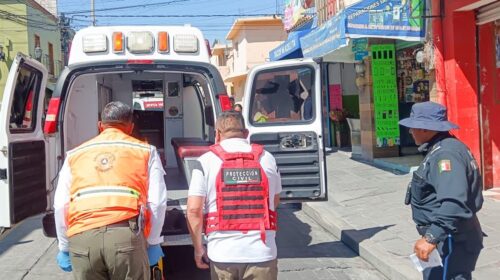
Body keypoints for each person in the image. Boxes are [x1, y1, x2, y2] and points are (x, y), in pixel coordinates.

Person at [53, 101, 167, 279]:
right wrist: (153, 241)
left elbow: (61, 205)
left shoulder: (74, 155)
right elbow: (157, 203)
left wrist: (64, 246)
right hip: (125, 237)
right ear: (130, 127)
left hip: (83, 237)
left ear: (100, 126)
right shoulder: (147, 151)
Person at [186, 111, 282, 280]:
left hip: (223, 254)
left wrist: (198, 248)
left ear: (217, 134)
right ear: (246, 133)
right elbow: (275, 200)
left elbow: (194, 210)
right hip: (262, 253)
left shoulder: (205, 161)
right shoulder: (268, 158)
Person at [399, 101, 483, 280]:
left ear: (425, 129)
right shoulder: (443, 147)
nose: (410, 131)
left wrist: (431, 237)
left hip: (450, 239)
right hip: (451, 236)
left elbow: (454, 202)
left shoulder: (445, 155)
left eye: (413, 127)